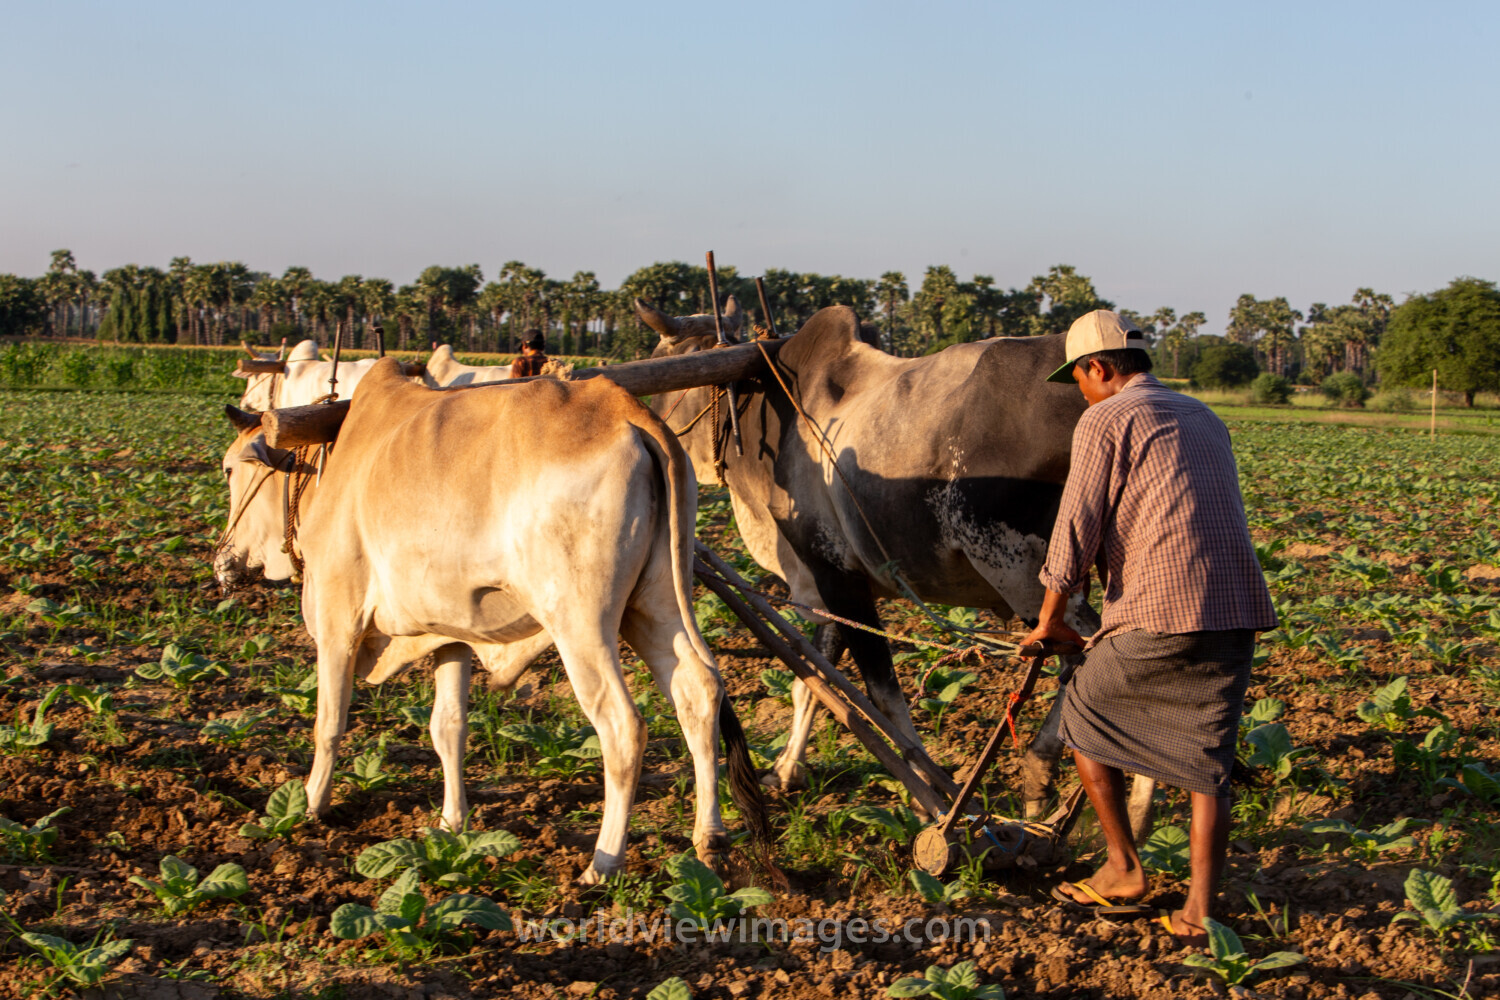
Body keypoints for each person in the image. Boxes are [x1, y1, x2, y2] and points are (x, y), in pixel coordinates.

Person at [1021, 309, 1277, 946]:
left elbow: (1075, 525)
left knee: (1081, 714)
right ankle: (1199, 914)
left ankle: (1123, 869)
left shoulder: (1104, 418)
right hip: (1235, 609)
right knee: (1206, 761)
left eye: (1078, 379)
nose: (1079, 391)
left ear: (1098, 369)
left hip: (1162, 608)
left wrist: (1050, 620)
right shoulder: (1204, 415)